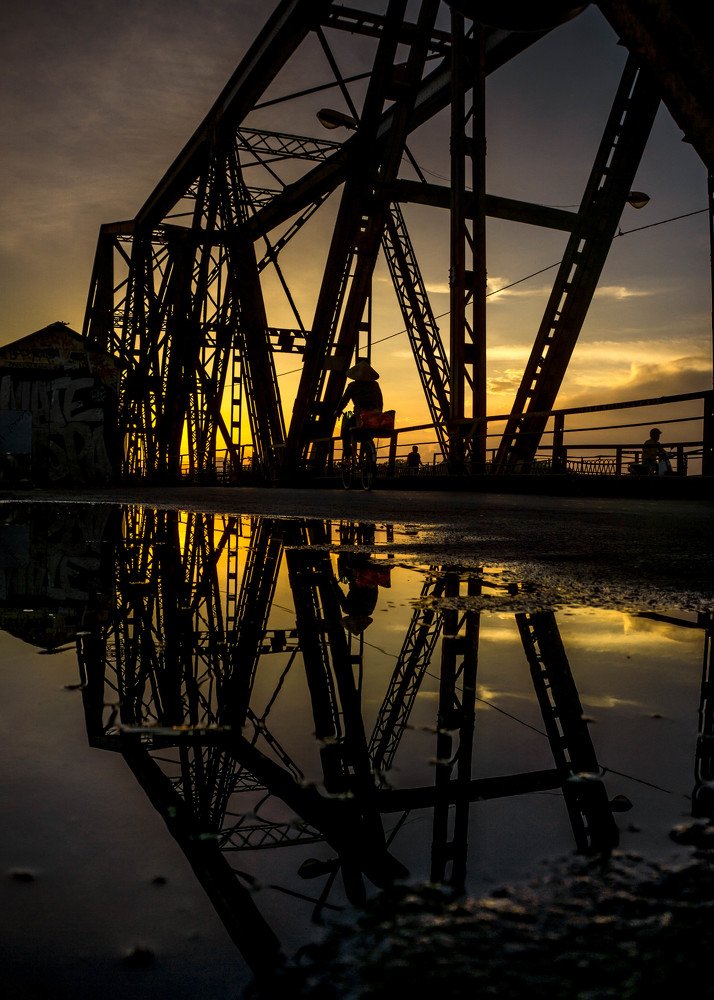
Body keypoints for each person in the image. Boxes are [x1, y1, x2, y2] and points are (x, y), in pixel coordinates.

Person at [337, 357, 383, 457]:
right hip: (375, 415)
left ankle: (348, 454)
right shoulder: (375, 385)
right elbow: (380, 401)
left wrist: (338, 411)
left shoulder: (353, 386)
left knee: (345, 431)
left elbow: (344, 401)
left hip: (361, 416)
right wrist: (379, 412)